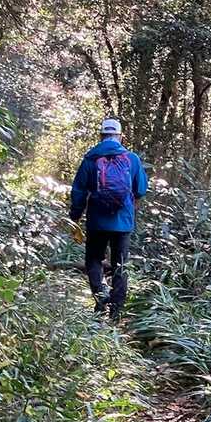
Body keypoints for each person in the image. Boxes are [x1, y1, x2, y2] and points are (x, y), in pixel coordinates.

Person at [70, 117, 147, 321]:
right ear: (120, 136)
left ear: (101, 136)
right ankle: (116, 312)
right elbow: (140, 189)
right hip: (123, 221)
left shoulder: (90, 159)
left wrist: (75, 216)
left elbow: (78, 191)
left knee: (94, 259)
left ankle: (100, 296)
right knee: (120, 264)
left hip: (97, 220)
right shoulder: (132, 159)